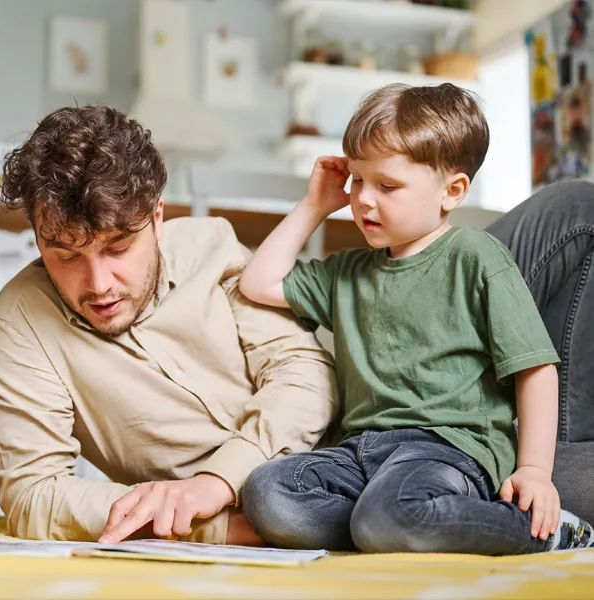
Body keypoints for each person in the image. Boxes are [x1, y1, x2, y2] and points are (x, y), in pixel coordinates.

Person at [238, 83, 593, 554]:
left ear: (452, 191)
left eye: (387, 186)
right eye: (358, 180)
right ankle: (399, 526)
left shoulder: (475, 256)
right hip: (360, 452)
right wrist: (315, 205)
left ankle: (545, 534)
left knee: (390, 514)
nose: (364, 199)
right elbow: (257, 284)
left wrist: (532, 471)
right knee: (267, 493)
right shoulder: (348, 271)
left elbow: (535, 369)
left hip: (448, 450)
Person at [0, 105, 339, 545]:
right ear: (38, 236)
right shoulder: (19, 326)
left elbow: (305, 375)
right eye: (66, 255)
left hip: (350, 454)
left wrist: (218, 482)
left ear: (157, 216)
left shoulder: (211, 247)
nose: (98, 285)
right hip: (269, 522)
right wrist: (218, 528)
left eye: (118, 248)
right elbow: (35, 497)